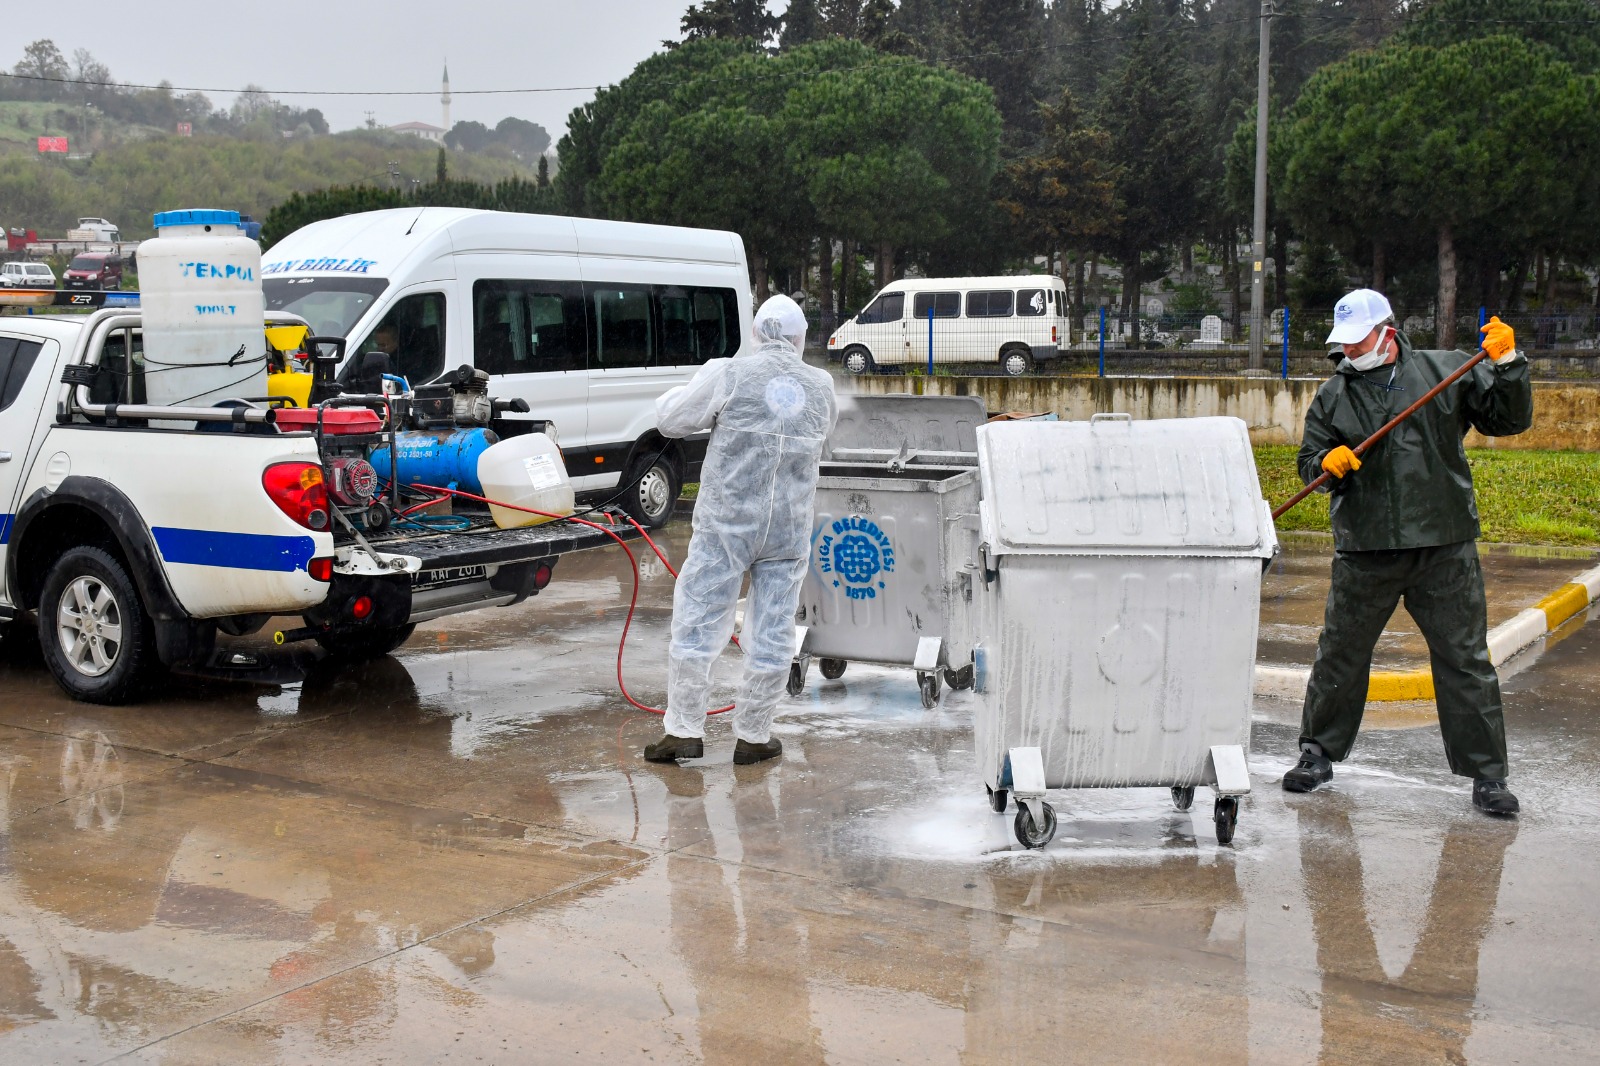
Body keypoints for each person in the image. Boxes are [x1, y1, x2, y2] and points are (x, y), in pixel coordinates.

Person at [1283, 289, 1533, 814]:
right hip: (1366, 546)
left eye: (1358, 341)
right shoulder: (1334, 395)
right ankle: (1317, 753)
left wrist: (1508, 364)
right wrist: (1326, 461)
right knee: (1341, 653)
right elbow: (1309, 459)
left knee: (1465, 661)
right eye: (1343, 344)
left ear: (1387, 332)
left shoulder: (1446, 372)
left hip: (1443, 546)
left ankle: (1487, 776)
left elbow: (1506, 420)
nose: (1349, 352)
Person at [644, 294, 838, 766]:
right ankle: (754, 735)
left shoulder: (730, 372)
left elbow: (670, 418)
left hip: (728, 523)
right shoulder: (821, 385)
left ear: (756, 335)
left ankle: (684, 731)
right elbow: (824, 437)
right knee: (773, 629)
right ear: (800, 338)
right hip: (788, 529)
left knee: (697, 619)